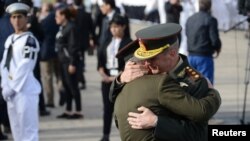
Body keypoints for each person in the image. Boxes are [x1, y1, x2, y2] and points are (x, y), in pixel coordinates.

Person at [110, 23, 221, 141]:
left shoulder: (194, 81)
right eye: (144, 59)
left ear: (172, 53)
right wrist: (120, 79)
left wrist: (158, 122)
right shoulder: (144, 70)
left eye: (152, 58)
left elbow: (198, 134)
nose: (147, 63)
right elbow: (114, 98)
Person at [0, 2, 41, 141]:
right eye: (13, 17)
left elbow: (26, 65)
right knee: (17, 132)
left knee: (28, 132)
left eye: (20, 17)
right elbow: (5, 64)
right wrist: (5, 85)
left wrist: (11, 87)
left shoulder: (30, 40)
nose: (16, 20)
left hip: (25, 92)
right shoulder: (10, 39)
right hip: (11, 93)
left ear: (26, 19)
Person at [97, 14, 131, 141]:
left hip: (122, 81)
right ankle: (105, 135)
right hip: (106, 80)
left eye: (116, 27)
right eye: (112, 27)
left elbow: (129, 64)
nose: (113, 29)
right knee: (107, 109)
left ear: (123, 27)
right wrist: (103, 74)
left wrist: (117, 77)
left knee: (123, 110)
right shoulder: (106, 42)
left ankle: (126, 135)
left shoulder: (129, 43)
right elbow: (100, 61)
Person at [55, 5, 83, 119]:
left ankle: (78, 111)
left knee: (73, 86)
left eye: (57, 16)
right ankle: (68, 109)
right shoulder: (63, 27)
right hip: (62, 61)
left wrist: (72, 63)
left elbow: (73, 47)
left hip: (69, 62)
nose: (55, 18)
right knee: (66, 86)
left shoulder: (71, 28)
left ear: (64, 16)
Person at [186, 0, 222, 84]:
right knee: (206, 86)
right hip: (204, 57)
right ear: (210, 6)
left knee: (191, 85)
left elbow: (187, 34)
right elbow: (214, 40)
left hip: (191, 56)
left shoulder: (190, 19)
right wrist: (218, 48)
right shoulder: (211, 19)